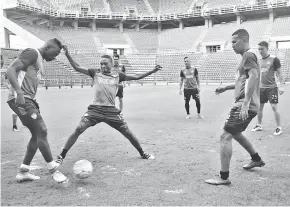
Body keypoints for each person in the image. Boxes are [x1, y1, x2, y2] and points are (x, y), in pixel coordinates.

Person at [55, 46, 162, 165]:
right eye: (101, 64)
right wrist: (67, 54)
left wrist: (152, 71)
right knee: (79, 128)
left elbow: (137, 77)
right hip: (95, 110)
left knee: (128, 133)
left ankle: (142, 153)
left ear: (111, 64)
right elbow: (77, 67)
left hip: (111, 111)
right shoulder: (95, 73)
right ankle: (61, 156)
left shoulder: (118, 75)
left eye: (105, 64)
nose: (102, 66)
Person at [205, 29, 265, 185]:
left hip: (245, 104)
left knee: (225, 137)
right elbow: (244, 81)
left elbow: (254, 77)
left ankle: (224, 178)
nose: (231, 45)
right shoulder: (247, 57)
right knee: (236, 134)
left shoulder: (248, 55)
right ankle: (256, 159)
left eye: (234, 42)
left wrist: (245, 103)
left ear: (244, 39)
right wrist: (226, 87)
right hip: (248, 103)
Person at [6, 38, 68, 184]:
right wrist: (19, 92)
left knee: (36, 134)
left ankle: (24, 171)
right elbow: (10, 70)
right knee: (42, 130)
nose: (55, 57)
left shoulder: (39, 61)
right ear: (48, 47)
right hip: (21, 99)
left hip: (29, 100)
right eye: (56, 53)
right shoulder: (32, 53)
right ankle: (53, 170)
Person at [251, 41, 284, 136]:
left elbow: (280, 74)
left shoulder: (274, 59)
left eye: (262, 49)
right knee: (259, 107)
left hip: (272, 87)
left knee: (274, 107)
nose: (260, 51)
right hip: (261, 88)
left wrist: (281, 86)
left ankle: (279, 127)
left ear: (267, 48)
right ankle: (259, 125)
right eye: (259, 49)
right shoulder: (258, 61)